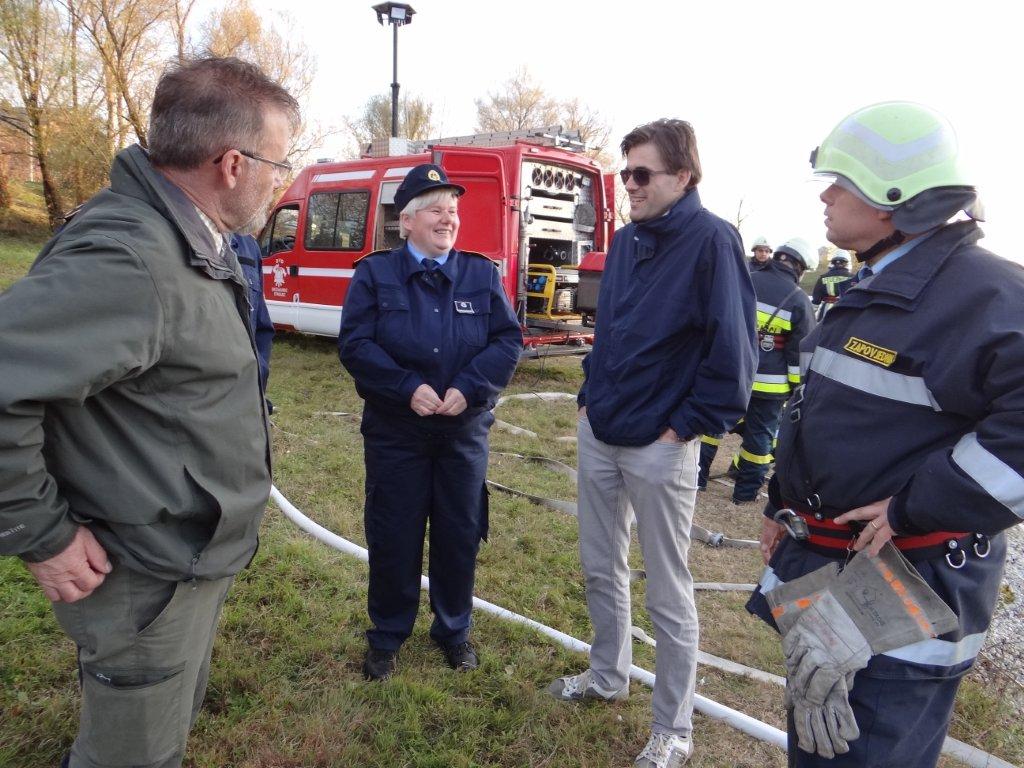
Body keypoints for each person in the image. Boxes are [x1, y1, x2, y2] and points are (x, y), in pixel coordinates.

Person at [0, 57, 297, 768]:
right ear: (232, 163)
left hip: (180, 560)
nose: (280, 184)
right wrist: (40, 533)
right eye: (280, 165)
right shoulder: (133, 255)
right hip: (144, 576)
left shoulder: (186, 236)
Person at [746, 101, 1023, 767]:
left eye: (843, 181)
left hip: (906, 593)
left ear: (894, 201)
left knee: (863, 748)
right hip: (831, 571)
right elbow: (830, 413)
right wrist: (784, 503)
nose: (829, 195)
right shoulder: (876, 287)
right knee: (818, 744)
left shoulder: (988, 298)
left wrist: (914, 507)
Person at [547, 118, 757, 768]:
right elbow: (609, 331)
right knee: (597, 565)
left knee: (668, 589)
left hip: (661, 444)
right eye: (625, 172)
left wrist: (684, 425)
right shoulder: (628, 239)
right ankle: (607, 676)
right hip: (601, 432)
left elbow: (734, 356)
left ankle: (674, 728)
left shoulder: (714, 241)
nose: (629, 184)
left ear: (682, 176)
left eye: (642, 173)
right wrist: (587, 394)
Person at [338, 163, 521, 682]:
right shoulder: (375, 274)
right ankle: (387, 635)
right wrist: (404, 388)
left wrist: (468, 389)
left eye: (454, 211)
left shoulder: (480, 274)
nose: (449, 219)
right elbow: (356, 344)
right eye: (438, 210)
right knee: (394, 533)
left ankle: (453, 630)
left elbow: (507, 341)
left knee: (459, 533)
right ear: (408, 221)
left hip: (462, 434)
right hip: (397, 433)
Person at [698, 238, 816, 502]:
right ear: (799, 267)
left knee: (711, 427)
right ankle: (745, 493)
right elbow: (799, 353)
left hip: (731, 374)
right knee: (759, 439)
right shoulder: (798, 300)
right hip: (769, 387)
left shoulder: (746, 280)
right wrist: (798, 388)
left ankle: (697, 479)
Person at [231, 232, 275, 408]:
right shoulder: (170, 235)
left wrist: (259, 376)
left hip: (246, 398)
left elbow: (262, 326)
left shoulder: (248, 245)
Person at [810, 250, 852, 320]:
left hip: (826, 314)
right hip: (846, 313)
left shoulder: (823, 278)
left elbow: (816, 301)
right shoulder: (853, 278)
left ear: (833, 262)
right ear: (847, 263)